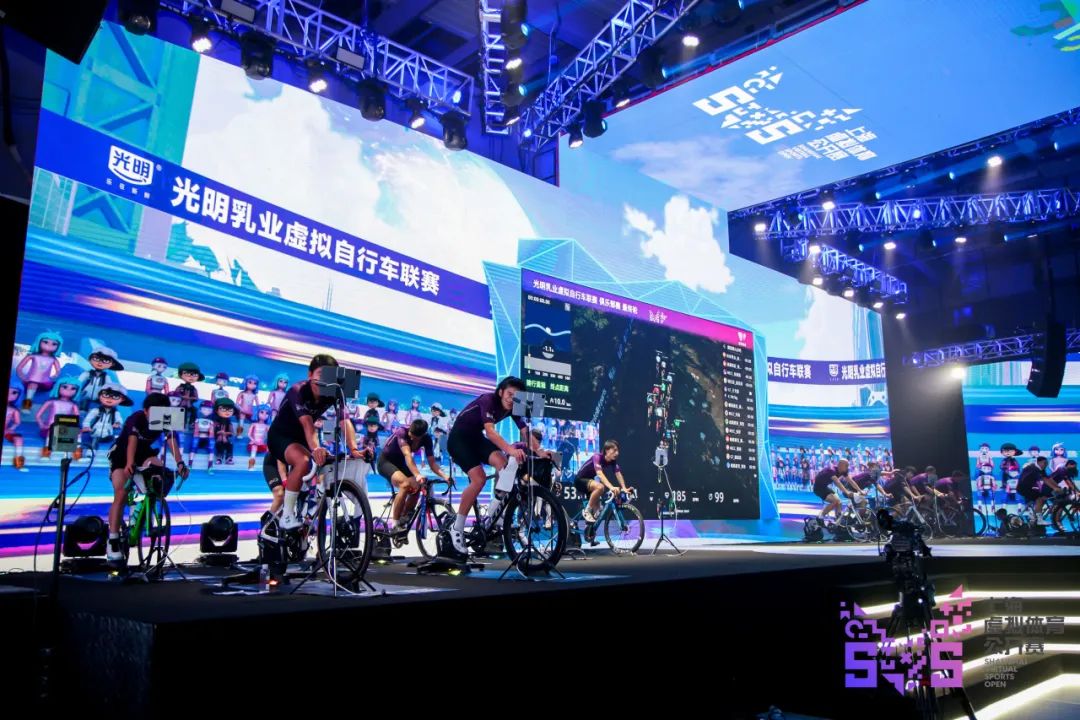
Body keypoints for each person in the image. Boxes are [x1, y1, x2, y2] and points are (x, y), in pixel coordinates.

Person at [443, 376, 539, 560]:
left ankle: (495, 512)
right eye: (509, 394)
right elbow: (491, 432)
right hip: (459, 439)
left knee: (504, 464)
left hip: (476, 439)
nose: (512, 399)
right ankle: (457, 526)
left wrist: (540, 451)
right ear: (501, 392)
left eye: (516, 396)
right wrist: (510, 449)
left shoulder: (513, 407)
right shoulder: (488, 399)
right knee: (479, 479)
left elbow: (525, 431)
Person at [267, 354, 365, 530]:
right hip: (280, 436)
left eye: (329, 375)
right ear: (310, 374)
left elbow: (344, 420)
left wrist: (354, 449)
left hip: (302, 439)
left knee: (321, 466)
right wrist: (316, 448)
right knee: (303, 461)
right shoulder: (298, 390)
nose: (324, 380)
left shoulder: (334, 392)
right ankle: (286, 516)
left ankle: (304, 505)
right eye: (320, 374)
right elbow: (307, 423)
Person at [106, 393, 188, 562]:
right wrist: (130, 462)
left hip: (144, 453)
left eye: (163, 411)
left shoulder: (165, 418)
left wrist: (180, 463)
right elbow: (132, 441)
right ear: (145, 410)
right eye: (155, 411)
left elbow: (171, 440)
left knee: (159, 472)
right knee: (121, 494)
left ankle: (143, 508)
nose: (160, 414)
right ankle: (113, 539)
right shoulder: (136, 418)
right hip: (121, 454)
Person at [378, 418, 448, 534]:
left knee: (418, 486)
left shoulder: (426, 439)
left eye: (414, 437)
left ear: (422, 436)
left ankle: (404, 518)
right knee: (405, 484)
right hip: (385, 462)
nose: (410, 438)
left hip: (400, 464)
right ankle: (395, 524)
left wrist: (445, 476)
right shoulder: (402, 432)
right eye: (410, 434)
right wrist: (417, 475)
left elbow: (432, 463)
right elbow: (408, 456)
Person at [573, 440, 631, 523]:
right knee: (600, 487)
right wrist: (611, 487)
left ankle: (588, 527)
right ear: (607, 450)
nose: (617, 453)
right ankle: (587, 511)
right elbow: (599, 474)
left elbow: (618, 474)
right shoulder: (597, 457)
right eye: (614, 450)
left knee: (598, 511)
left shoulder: (612, 462)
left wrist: (624, 488)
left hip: (590, 481)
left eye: (618, 451)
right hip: (579, 480)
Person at [1017, 456, 1051, 525]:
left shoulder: (1041, 469)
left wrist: (1056, 487)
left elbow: (1047, 479)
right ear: (1039, 462)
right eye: (1045, 463)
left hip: (1029, 487)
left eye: (1047, 463)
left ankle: (1033, 515)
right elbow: (1044, 480)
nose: (1046, 465)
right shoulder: (1033, 468)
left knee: (1041, 497)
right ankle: (1039, 520)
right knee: (1040, 498)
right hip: (1024, 488)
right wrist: (1055, 488)